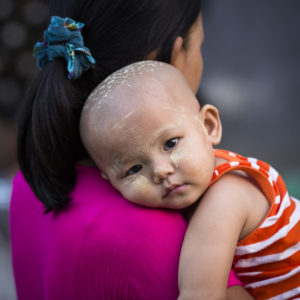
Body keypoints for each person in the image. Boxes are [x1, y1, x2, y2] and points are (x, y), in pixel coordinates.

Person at [10, 0, 252, 299]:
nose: (163, 171)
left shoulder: (34, 179)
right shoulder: (168, 243)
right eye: (200, 44)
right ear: (175, 57)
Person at [80, 60, 300, 300]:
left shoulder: (225, 199)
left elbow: (201, 295)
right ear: (109, 181)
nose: (161, 171)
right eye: (134, 169)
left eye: (170, 143)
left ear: (208, 126)